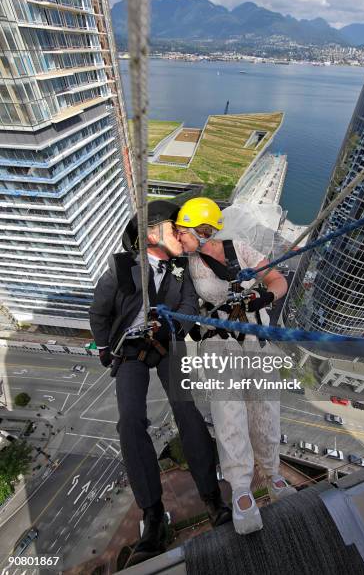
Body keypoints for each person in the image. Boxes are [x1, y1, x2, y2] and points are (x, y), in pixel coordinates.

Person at [89, 200, 231, 566]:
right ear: (151, 234)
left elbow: (188, 310)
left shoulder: (180, 270)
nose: (179, 235)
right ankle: (152, 515)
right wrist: (106, 349)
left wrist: (170, 326)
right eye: (172, 228)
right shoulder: (122, 269)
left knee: (187, 409)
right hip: (129, 348)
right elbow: (100, 310)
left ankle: (212, 498)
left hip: (166, 344)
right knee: (130, 421)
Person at [176, 197, 296, 535]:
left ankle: (272, 473)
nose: (181, 239)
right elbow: (182, 302)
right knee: (229, 414)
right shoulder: (187, 265)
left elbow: (278, 280)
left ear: (203, 230)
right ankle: (242, 489)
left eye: (185, 232)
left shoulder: (239, 249)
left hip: (254, 340)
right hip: (217, 343)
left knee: (265, 409)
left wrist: (264, 297)